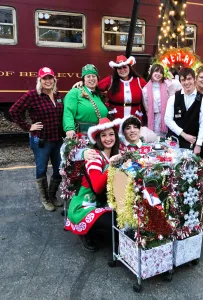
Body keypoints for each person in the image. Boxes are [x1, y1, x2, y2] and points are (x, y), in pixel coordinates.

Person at [9, 67, 64, 211]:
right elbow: (14, 111)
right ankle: (45, 199)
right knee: (41, 170)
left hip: (58, 140)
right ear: (39, 80)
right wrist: (28, 127)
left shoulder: (58, 95)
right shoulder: (33, 95)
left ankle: (52, 196)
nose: (48, 81)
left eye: (50, 78)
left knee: (59, 170)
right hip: (42, 141)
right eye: (44, 78)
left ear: (54, 79)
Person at [64, 117, 122, 251]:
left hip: (102, 203)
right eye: (103, 135)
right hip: (84, 205)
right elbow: (97, 187)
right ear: (98, 138)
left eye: (111, 134)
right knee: (116, 223)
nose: (108, 138)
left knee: (123, 220)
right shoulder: (94, 156)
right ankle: (85, 232)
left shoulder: (115, 153)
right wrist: (112, 166)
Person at [164, 67, 203, 154]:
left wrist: (198, 145)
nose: (186, 82)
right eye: (183, 80)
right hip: (174, 141)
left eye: (189, 79)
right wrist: (184, 135)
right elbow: (167, 119)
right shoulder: (173, 98)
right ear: (180, 82)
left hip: (192, 142)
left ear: (194, 79)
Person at [63, 64, 109, 138]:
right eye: (88, 76)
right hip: (82, 134)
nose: (91, 78)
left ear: (97, 79)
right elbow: (68, 111)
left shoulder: (98, 95)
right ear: (83, 79)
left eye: (94, 76)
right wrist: (69, 129)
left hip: (99, 134)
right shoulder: (75, 92)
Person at [98, 55, 147, 120]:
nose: (122, 70)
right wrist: (82, 83)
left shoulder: (139, 81)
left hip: (135, 118)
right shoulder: (110, 80)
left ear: (129, 67)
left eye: (124, 67)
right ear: (116, 70)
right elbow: (94, 87)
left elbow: (151, 91)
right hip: (116, 118)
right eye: (119, 68)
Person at [142, 64, 181, 136]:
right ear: (151, 72)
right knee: (154, 138)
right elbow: (146, 107)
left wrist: (169, 76)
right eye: (156, 71)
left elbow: (178, 84)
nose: (158, 74)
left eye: (161, 72)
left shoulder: (167, 84)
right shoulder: (145, 89)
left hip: (167, 117)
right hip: (153, 118)